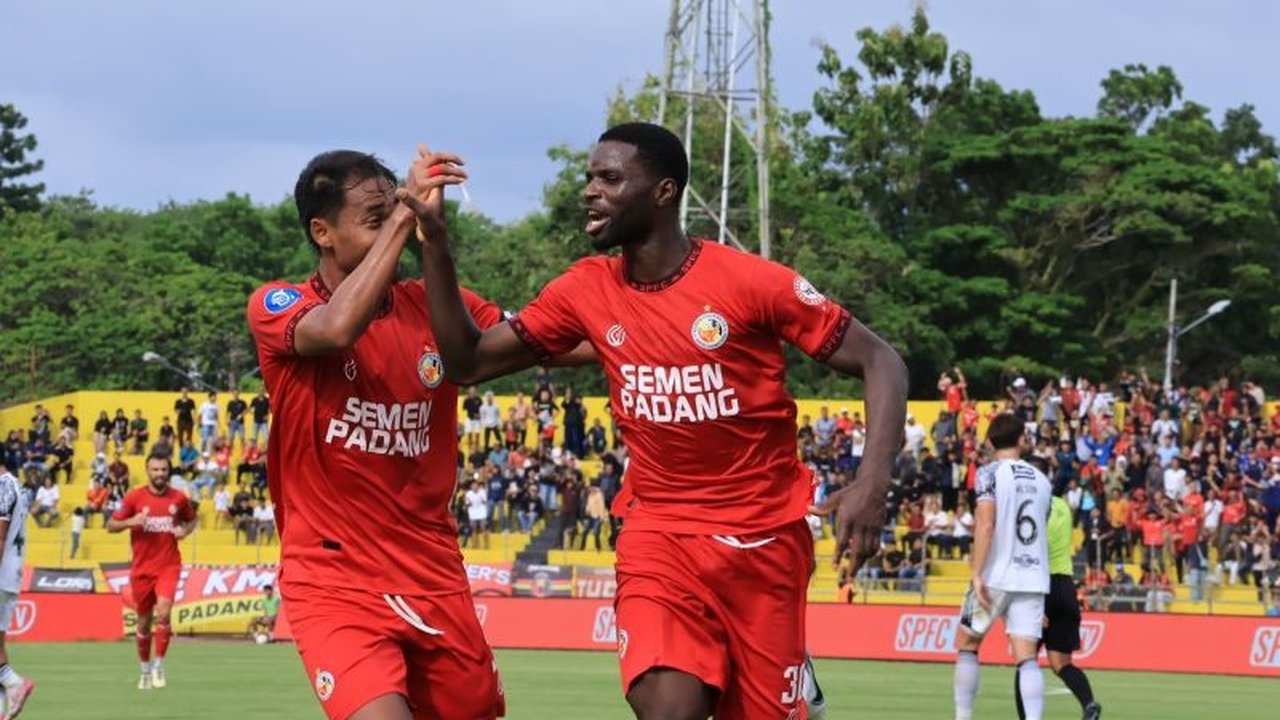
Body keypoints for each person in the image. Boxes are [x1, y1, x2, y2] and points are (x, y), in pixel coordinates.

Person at [412, 122, 908, 720]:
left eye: (610, 178)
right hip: (659, 534)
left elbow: (881, 359)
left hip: (763, 539)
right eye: (590, 177)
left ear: (664, 192)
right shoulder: (584, 290)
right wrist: (435, 241)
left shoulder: (749, 282)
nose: (590, 191)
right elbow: (466, 361)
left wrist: (873, 479)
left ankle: (794, 686)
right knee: (669, 710)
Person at [245, 148, 514, 720]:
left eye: (401, 211)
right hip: (334, 577)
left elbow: (550, 338)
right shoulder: (279, 305)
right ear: (322, 232)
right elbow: (338, 329)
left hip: (432, 572)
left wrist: (434, 239)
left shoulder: (436, 308)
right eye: (376, 217)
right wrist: (403, 217)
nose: (400, 222)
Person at [953, 414, 1052, 720]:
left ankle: (963, 716)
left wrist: (976, 574)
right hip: (1033, 576)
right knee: (1027, 658)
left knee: (967, 643)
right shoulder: (1043, 480)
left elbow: (985, 523)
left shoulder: (989, 473)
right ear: (1022, 439)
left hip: (996, 572)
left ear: (990, 441)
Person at [106, 453, 197, 691]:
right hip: (141, 569)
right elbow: (111, 525)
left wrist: (184, 531)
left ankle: (159, 665)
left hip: (168, 565)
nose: (159, 474)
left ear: (169, 472)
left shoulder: (178, 498)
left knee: (164, 612)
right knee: (144, 623)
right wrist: (131, 522)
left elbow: (192, 520)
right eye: (155, 470)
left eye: (163, 470)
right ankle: (145, 670)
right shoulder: (135, 497)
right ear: (147, 471)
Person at [1038, 481, 1102, 720]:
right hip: (1066, 586)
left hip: (1041, 584)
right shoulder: (1063, 506)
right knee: (1060, 662)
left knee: (1026, 661)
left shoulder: (1033, 507)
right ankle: (1089, 704)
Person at [0, 460, 36, 717]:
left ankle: (14, 682)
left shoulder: (2, 486)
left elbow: (0, 536)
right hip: (10, 575)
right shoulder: (15, 486)